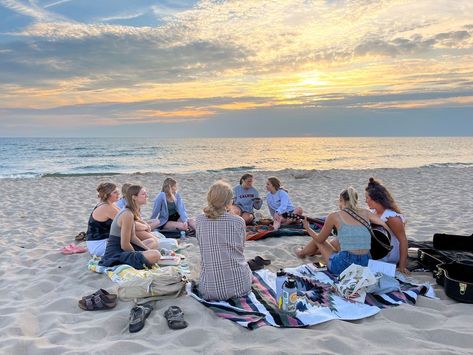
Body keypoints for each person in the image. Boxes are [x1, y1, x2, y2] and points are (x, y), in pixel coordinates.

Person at [300, 187, 389, 276]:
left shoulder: (334, 216)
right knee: (339, 241)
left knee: (317, 239)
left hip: (344, 265)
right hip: (364, 263)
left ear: (341, 200)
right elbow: (385, 226)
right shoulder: (366, 212)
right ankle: (309, 252)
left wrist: (308, 228)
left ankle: (301, 253)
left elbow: (320, 240)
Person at [196, 180, 252, 301]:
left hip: (209, 289)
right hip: (240, 286)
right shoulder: (238, 221)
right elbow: (240, 249)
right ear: (229, 201)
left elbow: (202, 246)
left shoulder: (199, 220)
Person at [99, 185, 161, 269]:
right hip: (115, 253)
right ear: (134, 197)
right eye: (143, 194)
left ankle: (142, 256)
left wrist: (147, 250)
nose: (147, 196)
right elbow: (124, 245)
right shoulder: (127, 214)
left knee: (152, 242)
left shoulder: (131, 212)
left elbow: (133, 238)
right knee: (156, 254)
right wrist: (135, 255)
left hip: (123, 250)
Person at [365, 177, 409, 274]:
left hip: (388, 255)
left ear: (375, 199)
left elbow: (403, 240)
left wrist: (402, 267)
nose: (366, 201)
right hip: (377, 250)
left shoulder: (391, 217)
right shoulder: (372, 212)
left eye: (367, 198)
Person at [86, 182, 120, 257]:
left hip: (103, 241)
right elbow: (128, 222)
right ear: (107, 195)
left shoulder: (110, 204)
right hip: (99, 245)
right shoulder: (106, 207)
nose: (118, 194)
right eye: (115, 192)